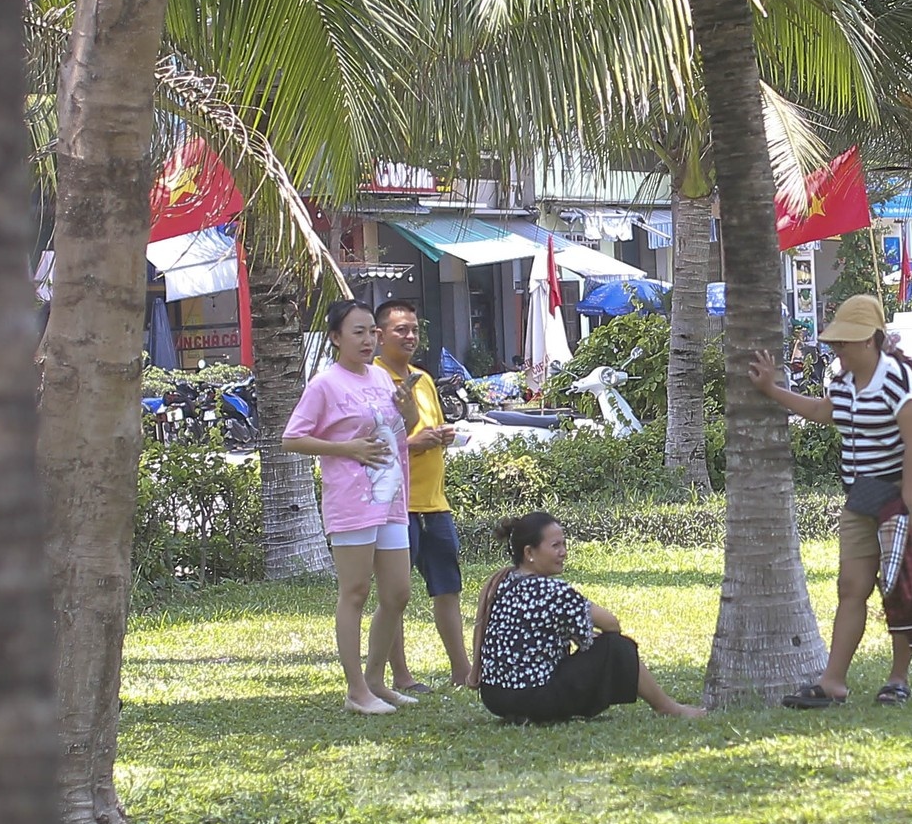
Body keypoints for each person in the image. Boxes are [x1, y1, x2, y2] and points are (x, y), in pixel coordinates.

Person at [747, 294, 912, 707]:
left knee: (900, 583)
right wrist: (771, 390)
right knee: (851, 585)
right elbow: (822, 412)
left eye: (846, 343)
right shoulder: (842, 380)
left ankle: (898, 678)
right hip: (862, 492)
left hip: (906, 485)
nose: (838, 350)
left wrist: (906, 510)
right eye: (835, 344)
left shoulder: (900, 379)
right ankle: (833, 682)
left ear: (871, 340)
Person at [280, 299, 416, 715]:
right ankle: (356, 691)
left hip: (391, 500)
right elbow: (292, 438)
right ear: (336, 338)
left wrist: (406, 403)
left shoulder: (380, 376)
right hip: (352, 503)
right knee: (354, 592)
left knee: (398, 593)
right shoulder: (325, 384)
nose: (368, 339)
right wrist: (346, 448)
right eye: (357, 332)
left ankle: (377, 681)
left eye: (371, 332)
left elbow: (404, 427)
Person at [471, 512, 705, 723]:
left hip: (496, 696)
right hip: (533, 695)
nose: (563, 552)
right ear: (529, 552)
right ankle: (667, 707)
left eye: (564, 544)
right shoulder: (552, 591)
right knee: (618, 646)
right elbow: (611, 624)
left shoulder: (502, 580)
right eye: (555, 546)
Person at [375, 298, 474, 693]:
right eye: (401, 329)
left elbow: (428, 429)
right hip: (396, 507)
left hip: (435, 504)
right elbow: (378, 440)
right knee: (395, 597)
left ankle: (463, 671)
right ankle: (401, 677)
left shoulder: (424, 378)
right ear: (380, 335)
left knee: (447, 587)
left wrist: (442, 436)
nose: (410, 336)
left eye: (415, 329)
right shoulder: (375, 380)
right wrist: (417, 443)